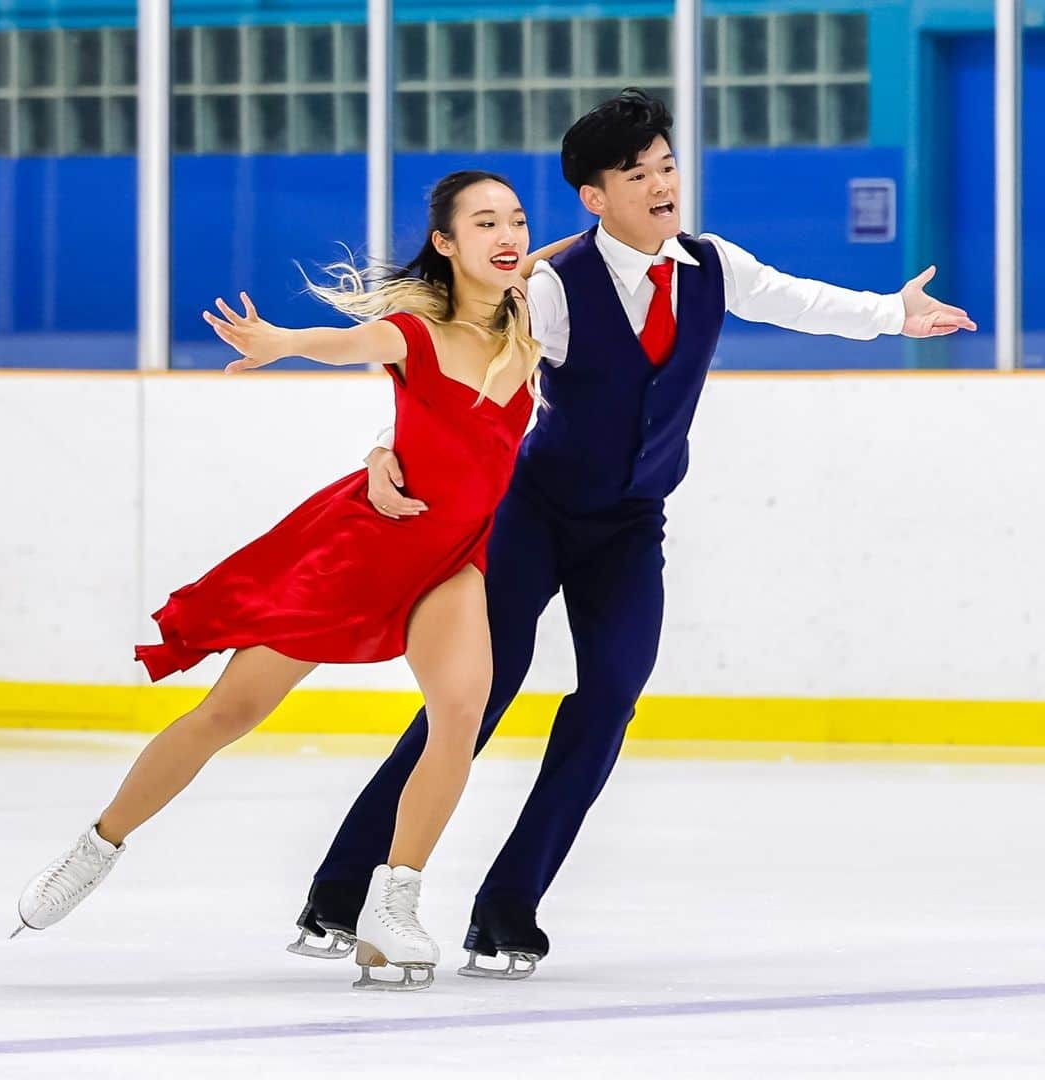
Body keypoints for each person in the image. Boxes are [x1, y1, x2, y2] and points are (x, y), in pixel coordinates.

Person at [288, 90, 977, 981]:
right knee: (476, 701)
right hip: (530, 514)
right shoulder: (548, 284)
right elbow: (450, 357)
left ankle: (507, 909)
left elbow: (798, 300)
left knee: (610, 696)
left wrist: (895, 315)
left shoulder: (712, 264)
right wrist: (386, 445)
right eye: (636, 173)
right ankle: (341, 891)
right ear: (593, 195)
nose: (661, 185)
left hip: (628, 525)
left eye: (667, 166)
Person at [12, 170, 542, 992]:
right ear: (445, 244)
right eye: (483, 222)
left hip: (450, 560)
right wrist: (286, 343)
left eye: (514, 219)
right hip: (364, 549)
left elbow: (605, 255)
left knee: (462, 709)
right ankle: (97, 846)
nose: (506, 235)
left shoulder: (535, 315)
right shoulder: (413, 330)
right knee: (231, 710)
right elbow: (351, 345)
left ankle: (391, 907)